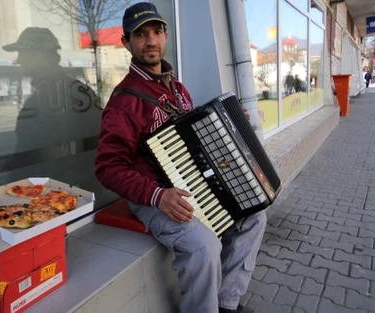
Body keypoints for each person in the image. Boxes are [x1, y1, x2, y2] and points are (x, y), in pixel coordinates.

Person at [94, 3, 266, 313]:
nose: (151, 41)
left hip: (192, 184)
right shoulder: (124, 102)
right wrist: (157, 195)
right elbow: (107, 168)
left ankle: (226, 304)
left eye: (157, 32)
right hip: (153, 195)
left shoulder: (179, 89)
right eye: (141, 34)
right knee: (204, 246)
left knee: (254, 216)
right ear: (126, 42)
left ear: (166, 35)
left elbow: (193, 138)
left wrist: (229, 128)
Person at [1, 27, 101, 171]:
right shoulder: (82, 89)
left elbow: (26, 158)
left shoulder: (39, 100)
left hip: (55, 184)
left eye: (22, 53)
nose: (19, 60)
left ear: (38, 56)